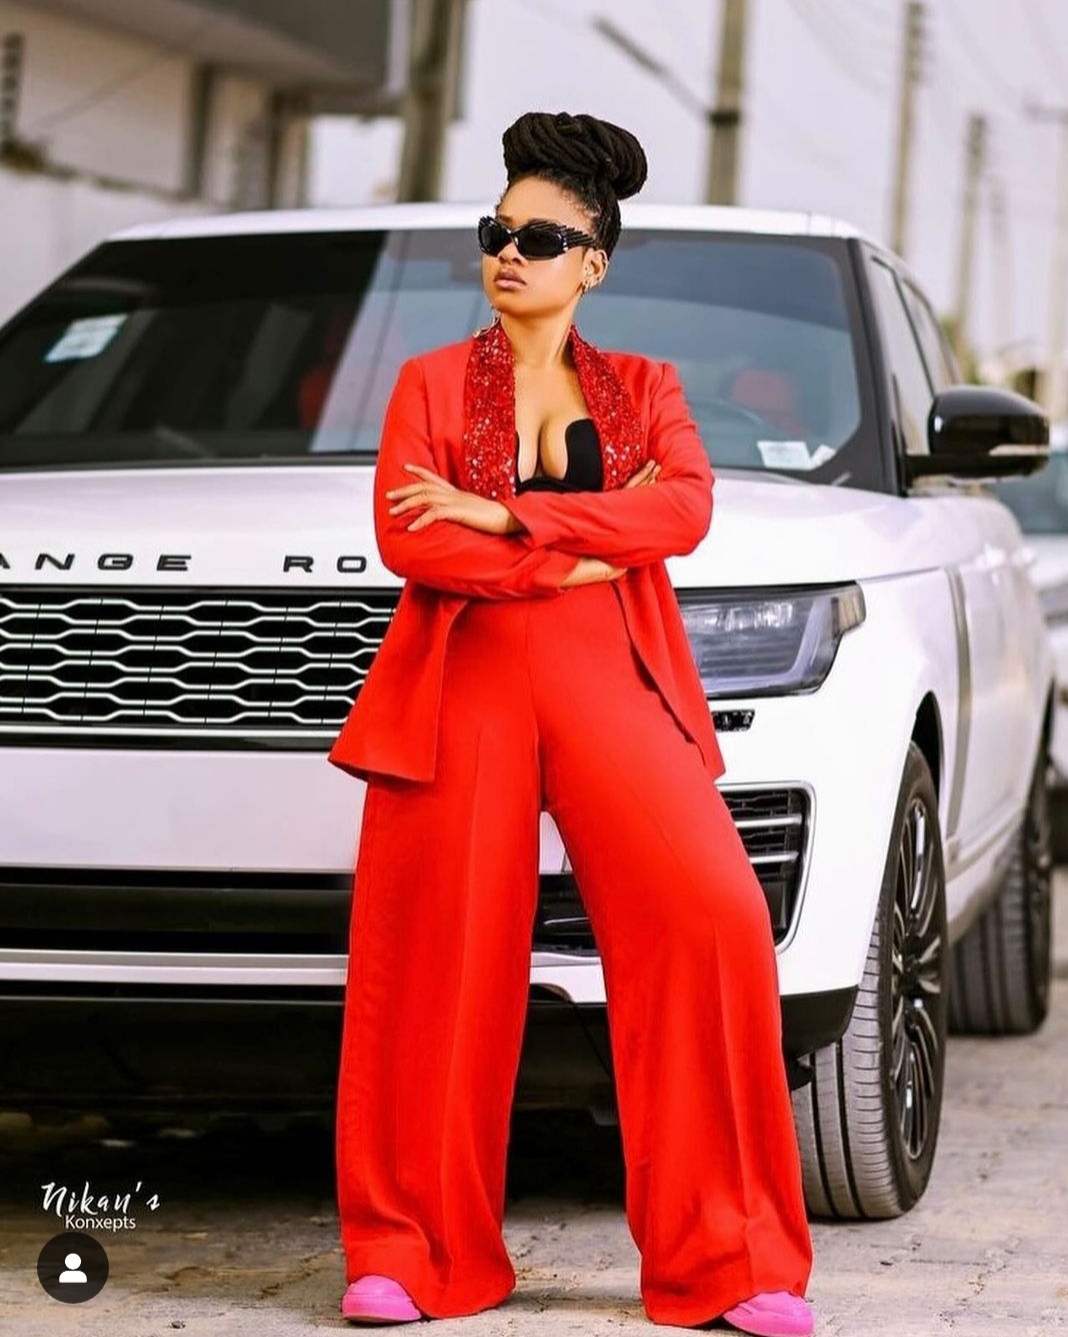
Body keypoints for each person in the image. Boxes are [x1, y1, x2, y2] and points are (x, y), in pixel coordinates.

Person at [328, 110, 815, 1336]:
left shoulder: (646, 386)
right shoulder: (429, 382)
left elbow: (684, 510)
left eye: (541, 237)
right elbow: (410, 537)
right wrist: (590, 546)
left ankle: (730, 1256)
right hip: (461, 683)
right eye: (496, 230)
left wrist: (506, 518)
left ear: (593, 261)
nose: (510, 252)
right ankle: (412, 1252)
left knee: (711, 919)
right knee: (433, 960)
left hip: (616, 679)